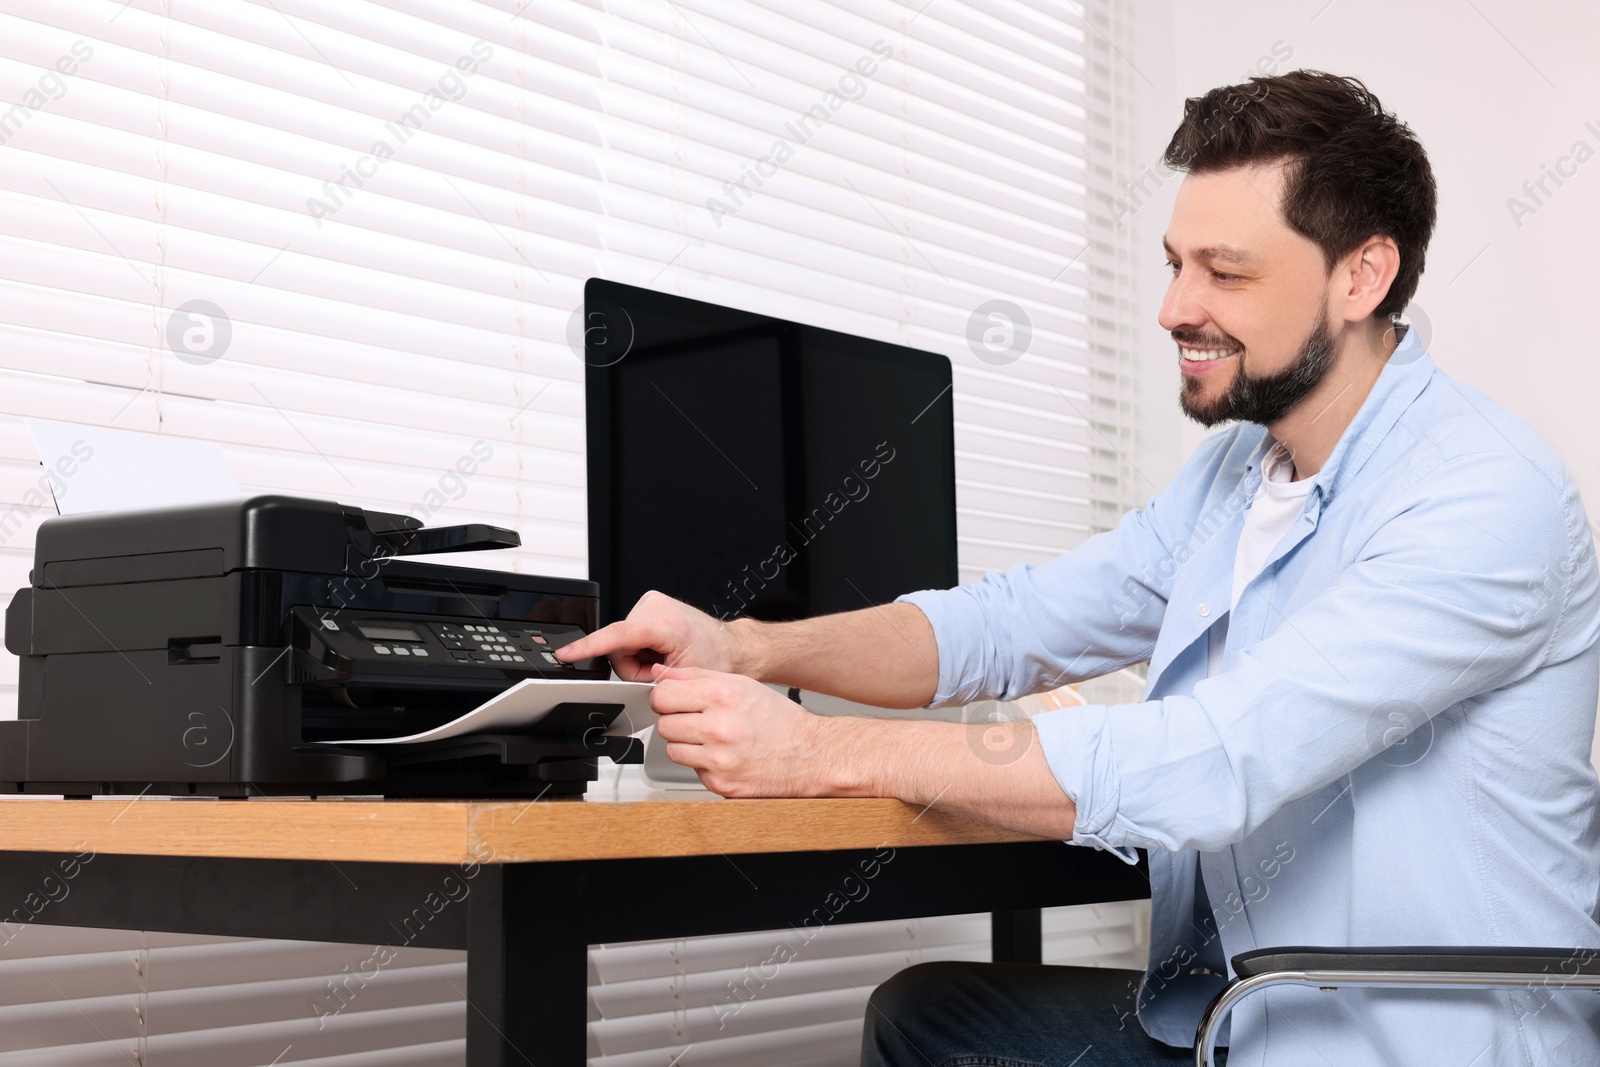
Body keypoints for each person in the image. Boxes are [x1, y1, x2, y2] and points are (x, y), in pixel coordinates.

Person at [557, 70, 1600, 1066]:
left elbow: (1213, 761)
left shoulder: (1478, 491)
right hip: (1246, 1022)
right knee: (934, 1016)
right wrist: (740, 641)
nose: (1173, 308)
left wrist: (819, 750)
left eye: (1224, 271)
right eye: (1174, 262)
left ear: (1359, 276)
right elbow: (1010, 625)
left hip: (1416, 1037)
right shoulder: (1239, 472)